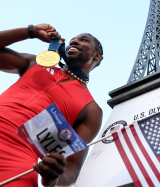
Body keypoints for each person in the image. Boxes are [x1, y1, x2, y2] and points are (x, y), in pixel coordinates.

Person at [0, 24, 103, 187]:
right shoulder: (35, 63)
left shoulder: (91, 110)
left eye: (83, 40)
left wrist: (52, 178)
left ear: (97, 55)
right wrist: (31, 32)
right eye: (72, 40)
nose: (75, 41)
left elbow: (71, 169)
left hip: (18, 164)